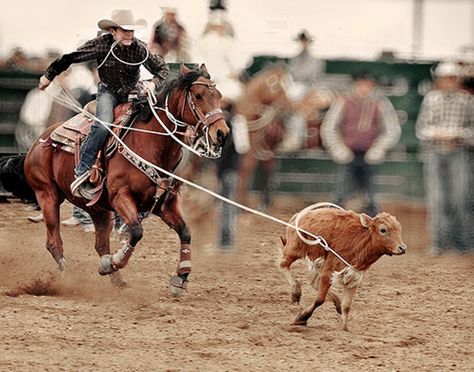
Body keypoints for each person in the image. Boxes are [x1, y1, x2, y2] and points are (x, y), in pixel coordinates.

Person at [38, 9, 169, 200]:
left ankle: (152, 178)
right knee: (103, 125)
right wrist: (49, 76)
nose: (128, 34)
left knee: (149, 126)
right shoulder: (101, 45)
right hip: (108, 92)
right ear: (113, 31)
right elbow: (71, 57)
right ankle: (82, 168)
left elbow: (162, 68)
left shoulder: (139, 49)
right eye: (124, 30)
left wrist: (152, 83)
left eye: (131, 31)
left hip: (133, 93)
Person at [320, 71, 401, 216]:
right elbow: (329, 127)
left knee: (370, 194)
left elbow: (392, 129)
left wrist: (379, 148)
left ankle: (370, 218)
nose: (364, 88)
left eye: (368, 85)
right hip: (348, 152)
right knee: (341, 191)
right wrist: (338, 147)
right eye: (361, 84)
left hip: (369, 153)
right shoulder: (343, 102)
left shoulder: (380, 104)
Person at [415, 61, 474, 255]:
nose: (448, 82)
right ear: (438, 80)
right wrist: (437, 134)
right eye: (444, 78)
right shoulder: (431, 99)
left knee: (459, 198)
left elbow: (472, 130)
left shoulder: (467, 101)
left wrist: (457, 135)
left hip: (459, 154)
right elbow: (421, 129)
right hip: (435, 154)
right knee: (437, 200)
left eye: (451, 78)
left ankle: (462, 243)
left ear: (457, 80)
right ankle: (439, 243)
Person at [283, 29, 326, 151]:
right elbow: (291, 75)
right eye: (301, 41)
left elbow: (316, 79)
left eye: (305, 41)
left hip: (306, 88)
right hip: (294, 87)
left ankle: (296, 139)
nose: (303, 44)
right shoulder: (295, 59)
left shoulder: (315, 60)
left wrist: (309, 92)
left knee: (297, 108)